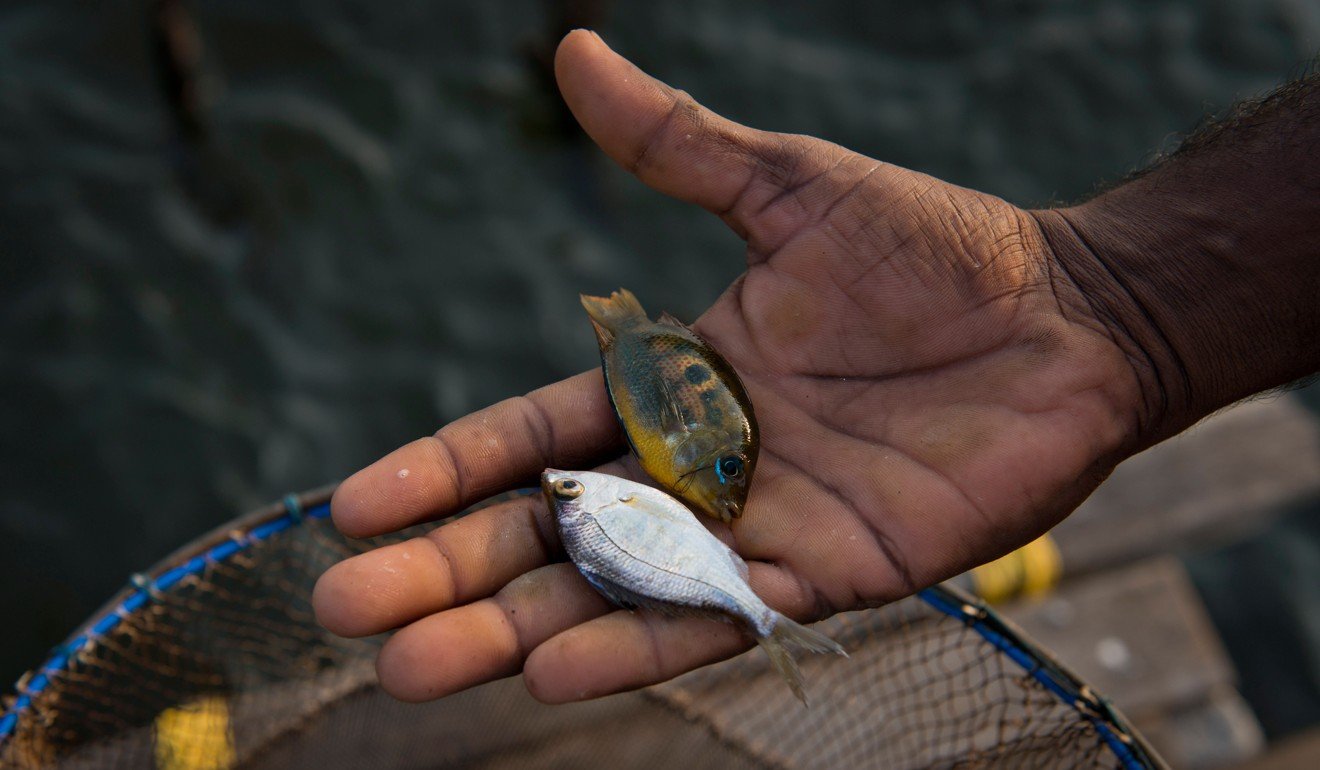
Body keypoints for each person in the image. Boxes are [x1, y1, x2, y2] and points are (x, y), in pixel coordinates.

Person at [311, 30, 1320, 704]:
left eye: (727, 485)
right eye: (728, 485)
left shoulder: (655, 484)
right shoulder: (668, 472)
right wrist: (1116, 306)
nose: (730, 498)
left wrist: (1120, 305)